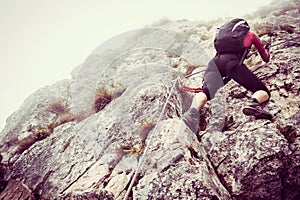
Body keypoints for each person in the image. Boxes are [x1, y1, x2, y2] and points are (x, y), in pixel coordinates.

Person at [182, 18, 272, 133]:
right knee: (262, 91)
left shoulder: (223, 38)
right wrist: (266, 50)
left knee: (206, 92)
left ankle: (192, 112)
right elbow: (266, 58)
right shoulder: (251, 35)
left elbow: (226, 54)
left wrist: (245, 54)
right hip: (232, 64)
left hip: (214, 64)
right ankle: (253, 103)